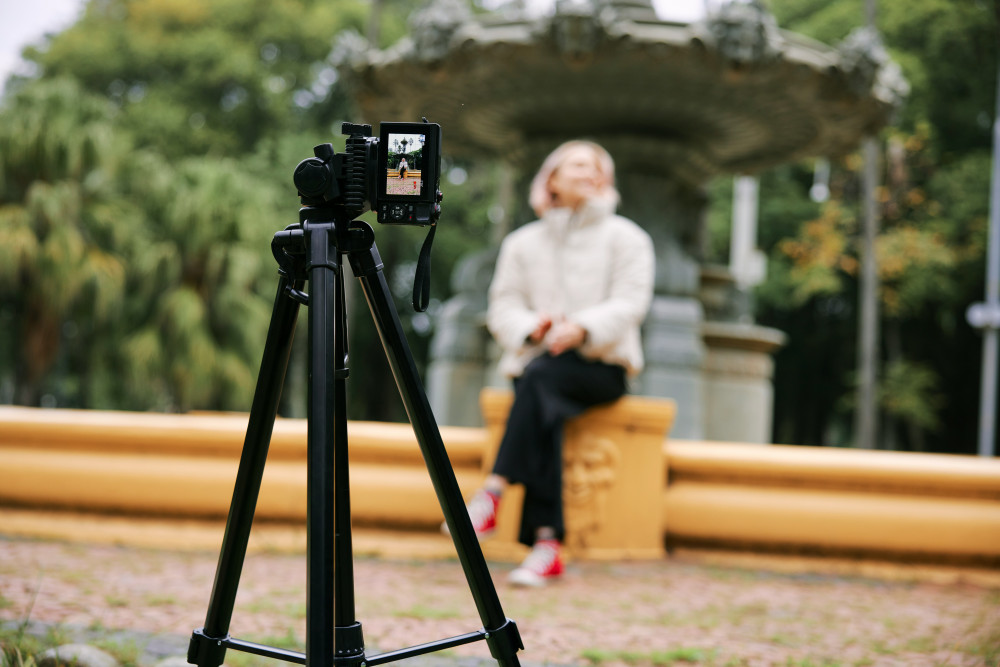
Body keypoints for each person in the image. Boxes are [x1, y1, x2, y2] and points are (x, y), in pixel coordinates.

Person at [460, 140, 655, 587]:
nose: (590, 173)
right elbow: (503, 307)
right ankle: (547, 547)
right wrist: (534, 329)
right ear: (551, 178)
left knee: (538, 382)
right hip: (540, 364)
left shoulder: (628, 238)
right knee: (540, 390)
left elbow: (631, 303)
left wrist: (582, 328)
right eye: (579, 165)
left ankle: (493, 490)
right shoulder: (522, 243)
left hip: (601, 367)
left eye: (597, 167)